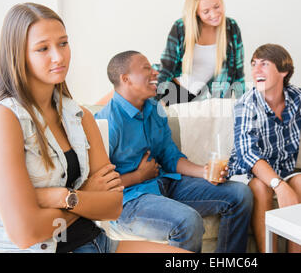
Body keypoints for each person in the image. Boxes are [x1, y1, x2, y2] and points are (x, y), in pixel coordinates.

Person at [0, 3, 187, 253]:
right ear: (18, 54)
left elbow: (113, 205)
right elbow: (25, 232)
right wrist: (82, 196)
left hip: (97, 242)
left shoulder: (79, 116)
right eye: (43, 48)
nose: (59, 57)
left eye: (63, 43)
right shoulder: (5, 117)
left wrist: (63, 196)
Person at [94, 50, 253, 253]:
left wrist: (204, 172)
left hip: (163, 184)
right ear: (126, 79)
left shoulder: (154, 109)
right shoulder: (108, 122)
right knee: (187, 221)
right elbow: (98, 188)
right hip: (128, 201)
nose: (155, 73)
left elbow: (170, 156)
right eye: (146, 69)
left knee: (240, 194)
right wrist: (138, 175)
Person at [227, 44, 301, 253]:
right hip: (248, 173)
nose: (256, 70)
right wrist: (279, 185)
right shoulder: (246, 104)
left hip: (282, 170)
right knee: (260, 186)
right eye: (254, 64)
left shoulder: (295, 96)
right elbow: (247, 153)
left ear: (284, 71)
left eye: (264, 64)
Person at [156, 0, 245, 105]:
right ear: (196, 12)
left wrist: (244, 103)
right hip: (174, 90)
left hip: (203, 97)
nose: (214, 14)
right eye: (206, 11)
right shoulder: (181, 28)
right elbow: (167, 67)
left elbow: (238, 72)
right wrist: (155, 100)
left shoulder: (231, 28)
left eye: (217, 6)